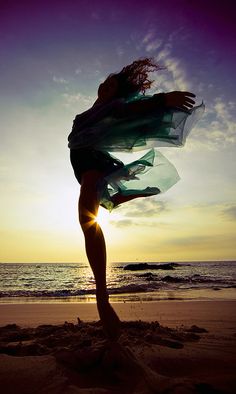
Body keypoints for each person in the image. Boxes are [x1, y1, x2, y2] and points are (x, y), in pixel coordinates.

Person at [68, 57, 204, 341]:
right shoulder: (87, 114)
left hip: (92, 164)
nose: (106, 86)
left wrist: (163, 100)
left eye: (112, 85)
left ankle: (102, 298)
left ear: (116, 93)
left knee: (86, 219)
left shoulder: (115, 107)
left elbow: (132, 108)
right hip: (85, 164)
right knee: (88, 218)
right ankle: (103, 297)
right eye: (106, 82)